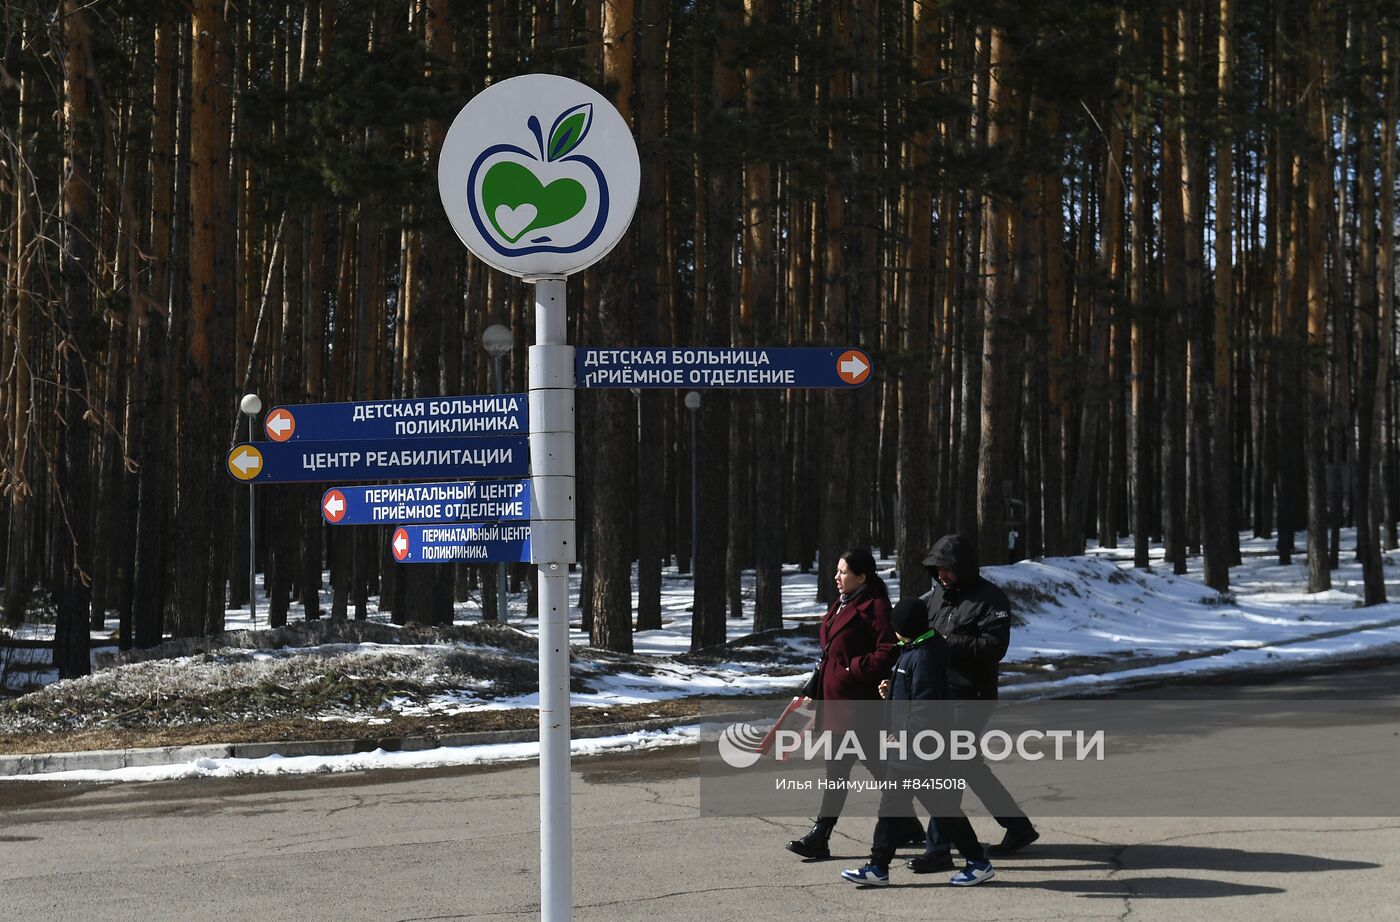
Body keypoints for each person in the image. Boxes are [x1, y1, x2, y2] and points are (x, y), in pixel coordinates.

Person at [839, 597, 995, 887]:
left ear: (903, 627)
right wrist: (892, 691)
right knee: (893, 807)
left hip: (920, 750)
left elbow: (926, 706)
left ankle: (978, 862)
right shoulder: (913, 650)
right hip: (907, 751)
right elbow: (912, 694)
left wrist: (905, 733)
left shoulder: (923, 656)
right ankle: (878, 867)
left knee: (943, 808)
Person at [906, 533, 1038, 873]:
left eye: (945, 569)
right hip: (939, 695)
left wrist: (950, 642)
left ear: (961, 567)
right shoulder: (936, 597)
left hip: (972, 697)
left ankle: (938, 849)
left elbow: (993, 648)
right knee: (967, 766)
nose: (940, 576)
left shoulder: (990, 599)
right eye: (935, 570)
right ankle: (1018, 827)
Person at [784, 549, 922, 859]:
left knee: (838, 770)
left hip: (859, 705)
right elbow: (833, 649)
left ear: (862, 576)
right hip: (837, 702)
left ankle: (821, 835)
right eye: (837, 571)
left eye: (843, 572)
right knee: (880, 767)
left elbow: (889, 650)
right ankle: (911, 824)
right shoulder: (841, 604)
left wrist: (851, 670)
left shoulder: (875, 606)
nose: (836, 577)